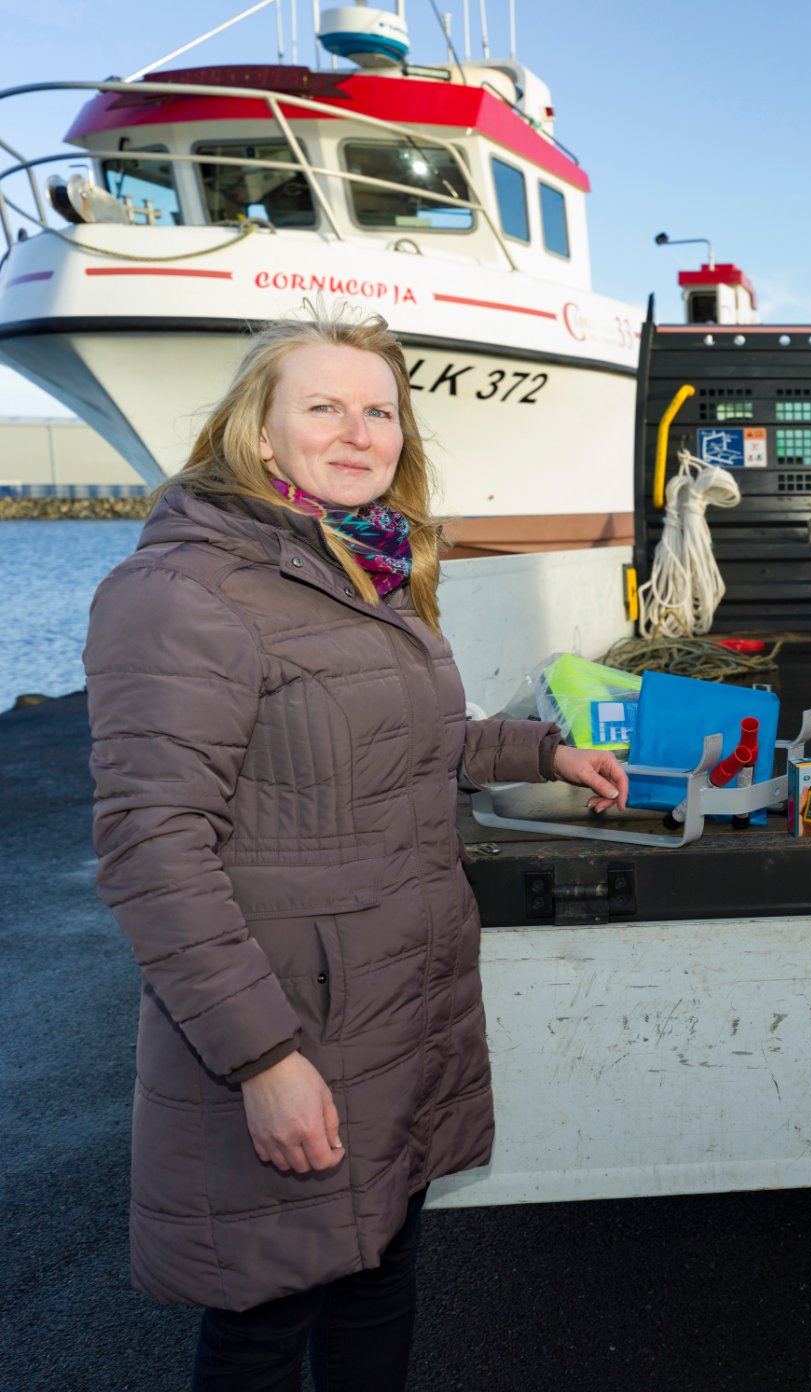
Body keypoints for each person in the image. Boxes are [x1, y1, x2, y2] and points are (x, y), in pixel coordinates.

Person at [84, 312, 629, 1390]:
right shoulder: (185, 591)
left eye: (378, 410)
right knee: (266, 1311)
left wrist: (540, 752)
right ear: (259, 429)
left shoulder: (361, 562)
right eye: (323, 406)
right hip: (294, 1019)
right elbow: (152, 847)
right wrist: (262, 1061)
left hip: (396, 1007)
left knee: (379, 1268)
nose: (357, 430)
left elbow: (402, 733)